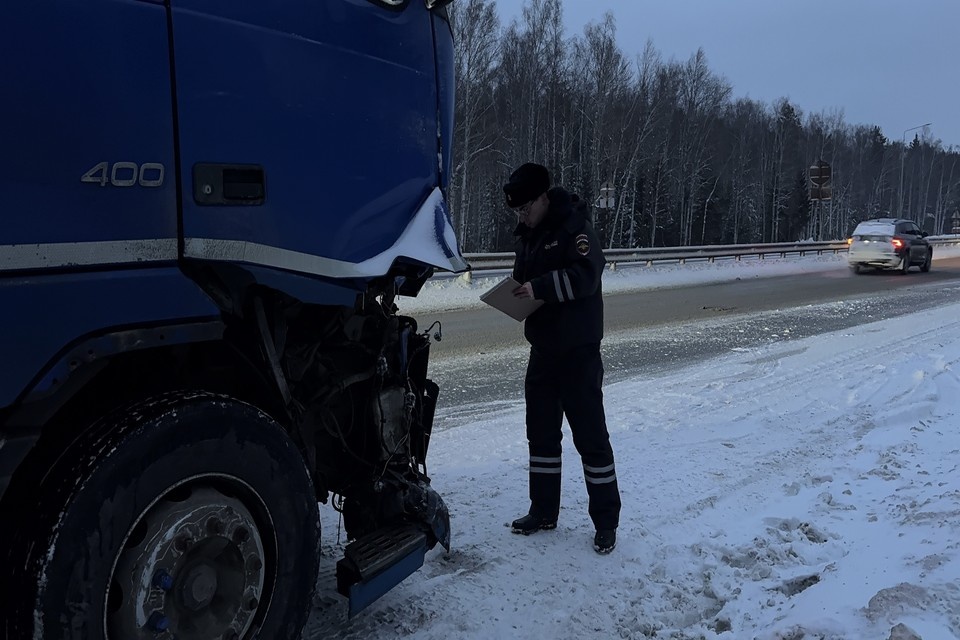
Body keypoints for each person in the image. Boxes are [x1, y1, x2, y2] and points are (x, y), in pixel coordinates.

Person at [502, 162, 622, 554]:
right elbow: (525, 283)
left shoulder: (575, 227)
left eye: (525, 208)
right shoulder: (528, 235)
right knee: (540, 435)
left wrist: (539, 287)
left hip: (578, 352)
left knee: (591, 438)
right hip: (543, 350)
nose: (522, 216)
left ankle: (605, 522)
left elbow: (587, 276)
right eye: (517, 211)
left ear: (542, 198)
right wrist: (516, 294)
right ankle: (543, 511)